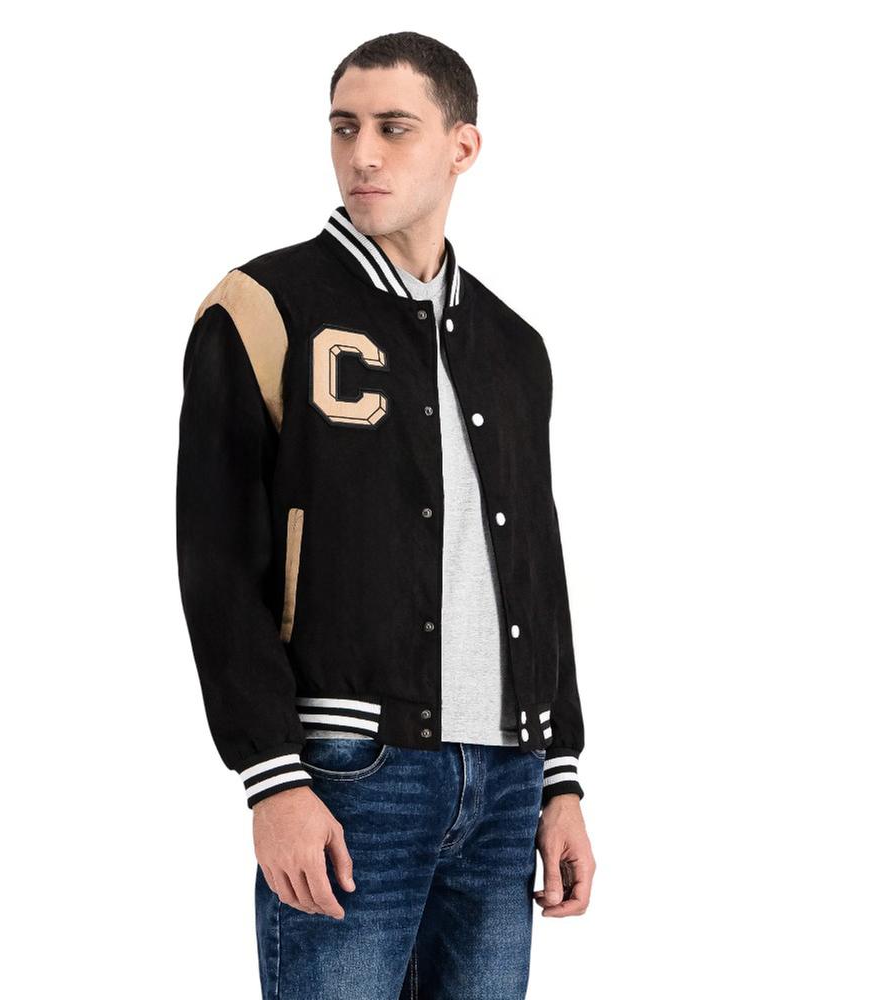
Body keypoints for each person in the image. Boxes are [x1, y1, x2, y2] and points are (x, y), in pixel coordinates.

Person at [176, 30, 596, 1000]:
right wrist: (272, 775)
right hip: (349, 772)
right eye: (344, 127)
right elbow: (216, 560)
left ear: (461, 145)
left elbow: (536, 566)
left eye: (394, 128)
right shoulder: (263, 307)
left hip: (507, 779)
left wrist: (561, 775)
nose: (361, 153)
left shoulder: (513, 345)